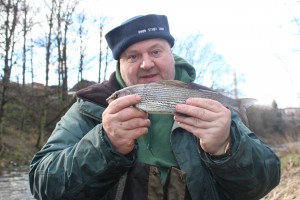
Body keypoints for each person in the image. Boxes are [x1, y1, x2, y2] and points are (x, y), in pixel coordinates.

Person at [29, 14, 280, 200]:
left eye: (156, 51)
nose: (146, 64)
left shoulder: (208, 102)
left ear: (172, 54)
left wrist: (226, 148)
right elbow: (42, 186)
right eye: (133, 56)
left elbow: (263, 182)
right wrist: (104, 145)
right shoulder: (90, 106)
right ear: (120, 64)